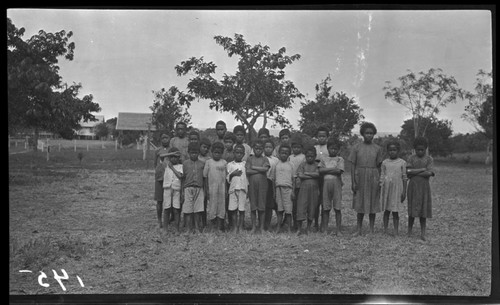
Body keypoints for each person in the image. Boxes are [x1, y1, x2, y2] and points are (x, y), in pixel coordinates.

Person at [348, 122, 383, 236]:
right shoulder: (356, 147)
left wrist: (379, 181)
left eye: (371, 133)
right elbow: (352, 165)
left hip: (373, 176)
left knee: (372, 203)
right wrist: (353, 181)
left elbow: (379, 166)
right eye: (367, 133)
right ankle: (359, 229)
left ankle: (372, 230)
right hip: (360, 176)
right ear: (362, 134)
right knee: (360, 203)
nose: (369, 135)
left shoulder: (377, 148)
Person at [406, 137, 435, 241]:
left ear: (426, 149)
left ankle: (423, 233)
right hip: (413, 186)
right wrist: (422, 169)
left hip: (424, 187)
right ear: (414, 149)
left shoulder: (429, 159)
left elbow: (429, 173)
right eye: (418, 149)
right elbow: (408, 172)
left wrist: (415, 171)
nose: (420, 151)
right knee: (412, 209)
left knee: (423, 210)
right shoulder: (411, 158)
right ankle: (409, 231)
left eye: (422, 149)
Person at [379, 140, 408, 236]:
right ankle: (385, 230)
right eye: (390, 150)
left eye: (394, 150)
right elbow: (382, 175)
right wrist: (381, 186)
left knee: (395, 211)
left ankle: (395, 231)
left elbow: (404, 177)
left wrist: (404, 191)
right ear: (387, 151)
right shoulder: (385, 162)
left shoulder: (402, 163)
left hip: (397, 189)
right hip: (387, 189)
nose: (392, 152)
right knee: (387, 210)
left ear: (398, 151)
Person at [319, 137, 344, 235]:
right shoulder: (323, 158)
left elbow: (339, 171)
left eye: (335, 149)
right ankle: (325, 229)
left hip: (336, 185)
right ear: (328, 148)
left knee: (337, 208)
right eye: (331, 148)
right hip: (326, 185)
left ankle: (338, 230)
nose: (333, 150)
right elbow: (320, 171)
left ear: (338, 150)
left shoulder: (340, 159)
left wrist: (327, 170)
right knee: (326, 208)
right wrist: (333, 169)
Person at [245, 139, 270, 233]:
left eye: (260, 148)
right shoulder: (250, 158)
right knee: (253, 206)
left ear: (263, 149)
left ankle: (262, 227)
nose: (258, 150)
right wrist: (260, 170)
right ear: (253, 149)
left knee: (262, 206)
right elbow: (248, 171)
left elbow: (265, 169)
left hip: (263, 185)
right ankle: (253, 227)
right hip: (252, 185)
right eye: (256, 148)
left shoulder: (265, 159)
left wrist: (254, 168)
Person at [296, 146, 320, 235]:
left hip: (314, 189)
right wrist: (311, 175)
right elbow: (300, 175)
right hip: (303, 189)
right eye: (308, 156)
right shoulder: (302, 165)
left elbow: (318, 174)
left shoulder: (318, 165)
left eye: (312, 156)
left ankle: (308, 228)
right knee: (301, 207)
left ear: (315, 156)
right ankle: (299, 228)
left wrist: (307, 173)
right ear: (305, 156)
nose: (310, 158)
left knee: (312, 207)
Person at [203, 142, 228, 232]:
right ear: (211, 152)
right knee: (213, 206)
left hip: (221, 188)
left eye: (219, 153)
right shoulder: (208, 162)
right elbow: (205, 177)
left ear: (222, 153)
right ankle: (213, 226)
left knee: (221, 206)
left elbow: (226, 178)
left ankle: (220, 226)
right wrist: (206, 189)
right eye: (215, 152)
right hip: (212, 188)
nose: (217, 154)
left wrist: (226, 190)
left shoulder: (224, 163)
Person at [182, 142, 205, 234]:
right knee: (188, 210)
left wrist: (205, 190)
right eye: (192, 153)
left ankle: (197, 228)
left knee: (198, 210)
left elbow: (204, 178)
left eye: (196, 153)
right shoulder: (185, 164)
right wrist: (182, 191)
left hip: (199, 188)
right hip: (187, 188)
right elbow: (182, 178)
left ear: (198, 153)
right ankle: (188, 228)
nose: (194, 155)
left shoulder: (202, 164)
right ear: (188, 153)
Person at [270, 144, 295, 233]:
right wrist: (274, 192)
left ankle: (289, 229)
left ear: (289, 154)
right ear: (279, 153)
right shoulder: (276, 164)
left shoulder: (291, 164)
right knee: (279, 210)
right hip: (278, 189)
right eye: (282, 153)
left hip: (288, 189)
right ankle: (278, 227)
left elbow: (294, 179)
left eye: (286, 153)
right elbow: (273, 179)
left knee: (288, 211)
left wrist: (293, 191)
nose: (284, 155)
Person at [227, 144, 248, 233]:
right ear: (233, 153)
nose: (238, 154)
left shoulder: (245, 164)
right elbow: (228, 178)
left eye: (241, 153)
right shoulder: (230, 164)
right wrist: (233, 174)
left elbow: (247, 177)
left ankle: (241, 227)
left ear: (243, 154)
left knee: (241, 209)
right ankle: (235, 226)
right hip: (233, 189)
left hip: (243, 189)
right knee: (233, 209)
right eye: (237, 152)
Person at [313, 125, 330, 232]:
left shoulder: (329, 148)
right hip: (316, 177)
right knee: (316, 201)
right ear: (317, 137)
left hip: (327, 177)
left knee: (325, 202)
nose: (321, 138)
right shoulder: (315, 148)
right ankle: (315, 223)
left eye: (324, 136)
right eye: (319, 136)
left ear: (327, 137)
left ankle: (324, 224)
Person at [162, 147, 183, 233]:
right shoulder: (166, 165)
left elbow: (180, 176)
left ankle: (177, 229)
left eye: (176, 157)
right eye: (172, 157)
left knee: (176, 209)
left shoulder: (180, 166)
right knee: (167, 208)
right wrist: (171, 153)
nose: (173, 159)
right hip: (167, 189)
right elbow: (161, 156)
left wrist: (172, 168)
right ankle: (165, 228)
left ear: (179, 158)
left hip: (176, 190)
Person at [153, 133, 171, 228]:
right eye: (163, 138)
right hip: (159, 178)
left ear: (169, 139)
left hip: (169, 177)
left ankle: (169, 220)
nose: (165, 140)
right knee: (159, 201)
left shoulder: (172, 149)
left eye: (166, 137)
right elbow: (155, 164)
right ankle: (159, 220)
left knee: (169, 200)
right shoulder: (157, 150)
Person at [289, 135, 305, 231]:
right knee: (293, 206)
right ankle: (293, 223)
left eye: (298, 147)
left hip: (300, 182)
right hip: (290, 182)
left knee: (299, 205)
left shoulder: (303, 157)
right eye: (294, 147)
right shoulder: (289, 157)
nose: (296, 149)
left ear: (302, 148)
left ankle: (299, 224)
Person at [263, 139, 279, 231]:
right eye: (266, 147)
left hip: (272, 183)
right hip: (263, 182)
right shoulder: (261, 158)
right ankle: (263, 223)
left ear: (273, 148)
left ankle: (269, 224)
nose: (268, 149)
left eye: (270, 147)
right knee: (263, 205)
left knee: (270, 204)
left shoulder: (276, 160)